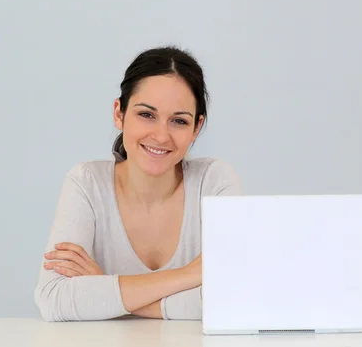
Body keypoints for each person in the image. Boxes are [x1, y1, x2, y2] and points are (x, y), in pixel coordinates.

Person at [34, 46, 242, 322]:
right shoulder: (86, 183)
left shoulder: (214, 182)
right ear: (119, 113)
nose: (161, 135)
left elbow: (235, 299)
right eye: (147, 114)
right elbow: (53, 299)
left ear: (196, 128)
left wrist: (106, 287)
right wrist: (190, 275)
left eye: (179, 121)